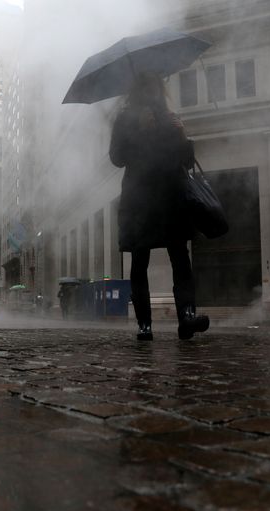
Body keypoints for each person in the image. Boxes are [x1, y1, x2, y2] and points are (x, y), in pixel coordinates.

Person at [109, 72, 209, 341]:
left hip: (171, 194)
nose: (153, 92)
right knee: (139, 259)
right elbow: (116, 157)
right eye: (147, 86)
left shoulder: (169, 117)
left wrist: (182, 134)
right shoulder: (124, 118)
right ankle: (145, 324)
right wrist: (139, 130)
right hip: (139, 198)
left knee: (180, 255)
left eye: (156, 86)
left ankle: (187, 316)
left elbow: (187, 161)